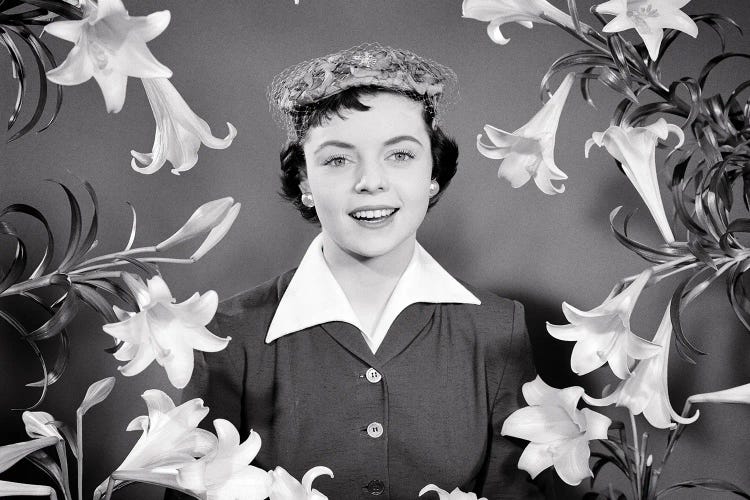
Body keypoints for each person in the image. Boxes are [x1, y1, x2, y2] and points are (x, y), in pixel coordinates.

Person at [168, 44, 542, 499]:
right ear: (305, 182)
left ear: (433, 173)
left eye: (400, 155)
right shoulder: (227, 336)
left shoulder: (499, 329)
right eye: (338, 159)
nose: (371, 181)